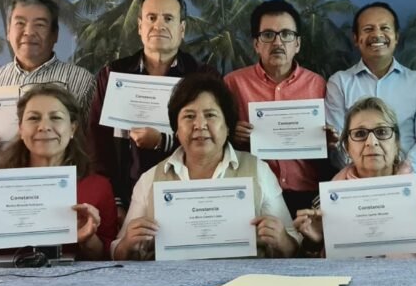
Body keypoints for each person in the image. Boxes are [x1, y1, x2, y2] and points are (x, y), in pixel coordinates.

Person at [112, 74, 299, 260]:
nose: (200, 125)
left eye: (210, 115)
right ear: (176, 130)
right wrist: (128, 243)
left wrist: (281, 239)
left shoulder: (258, 170)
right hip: (170, 278)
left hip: (244, 277)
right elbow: (117, 252)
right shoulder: (150, 178)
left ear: (228, 126)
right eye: (189, 116)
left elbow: (293, 247)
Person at [0, 85, 116, 260]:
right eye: (34, 118)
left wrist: (88, 239)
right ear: (21, 129)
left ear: (72, 128)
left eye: (56, 117)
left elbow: (109, 258)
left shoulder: (98, 188)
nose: (44, 126)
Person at [90, 0, 217, 224]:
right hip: (125, 199)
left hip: (190, 197)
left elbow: (216, 138)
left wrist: (163, 141)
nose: (159, 25)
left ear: (182, 29)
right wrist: (114, 202)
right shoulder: (113, 75)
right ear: (140, 26)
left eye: (168, 18)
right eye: (151, 17)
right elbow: (98, 142)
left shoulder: (203, 77)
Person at [295, 97, 416, 259]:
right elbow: (305, 274)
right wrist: (314, 242)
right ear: (347, 147)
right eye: (360, 134)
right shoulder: (323, 204)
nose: (372, 142)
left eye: (382, 132)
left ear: (397, 143)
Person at [224, 0, 337, 217]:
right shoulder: (233, 84)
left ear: (298, 44)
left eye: (286, 34)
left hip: (308, 193)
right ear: (256, 44)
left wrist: (328, 140)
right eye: (268, 35)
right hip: (254, 195)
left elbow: (329, 143)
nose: (278, 42)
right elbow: (217, 136)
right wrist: (231, 133)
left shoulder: (317, 84)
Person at [0, 0, 95, 168]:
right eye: (20, 23)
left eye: (39, 25)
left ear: (55, 35)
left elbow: (95, 147)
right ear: (8, 32)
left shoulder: (81, 81)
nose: (29, 32)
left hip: (57, 183)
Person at [325, 1, 416, 181]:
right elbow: (339, 140)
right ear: (356, 39)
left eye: (385, 28)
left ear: (396, 37)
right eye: (368, 29)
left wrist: (405, 173)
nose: (377, 34)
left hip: (411, 183)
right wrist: (362, 171)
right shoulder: (339, 82)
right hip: (353, 185)